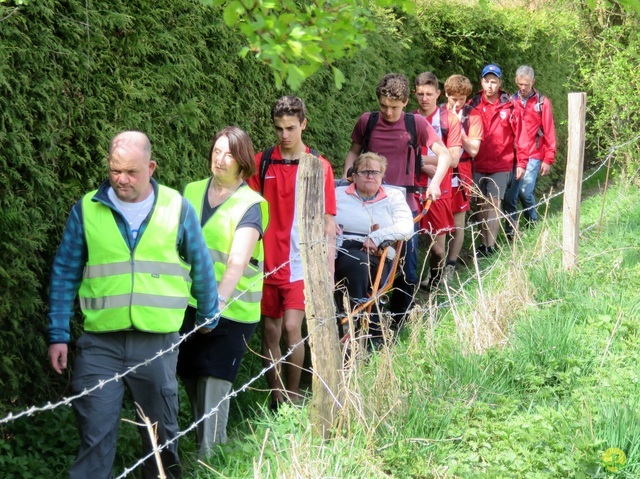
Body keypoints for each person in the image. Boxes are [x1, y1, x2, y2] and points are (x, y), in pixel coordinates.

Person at [47, 131, 219, 479]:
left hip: (157, 344)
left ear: (151, 167)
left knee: (161, 441)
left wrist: (207, 315)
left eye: (131, 171)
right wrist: (58, 333)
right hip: (99, 346)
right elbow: (65, 272)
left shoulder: (176, 207)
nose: (121, 179)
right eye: (114, 171)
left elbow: (201, 264)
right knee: (95, 437)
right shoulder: (86, 209)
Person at [178, 126, 269, 457]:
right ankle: (207, 446)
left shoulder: (252, 203)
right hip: (187, 302)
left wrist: (215, 304)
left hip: (231, 309)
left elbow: (236, 261)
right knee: (189, 374)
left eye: (228, 153)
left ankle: (211, 456)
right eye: (216, 151)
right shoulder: (191, 191)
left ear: (243, 161)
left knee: (214, 380)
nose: (219, 158)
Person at [247, 96, 336, 411]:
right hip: (267, 263)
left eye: (291, 128)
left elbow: (328, 219)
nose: (284, 135)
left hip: (300, 263)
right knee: (270, 331)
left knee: (290, 328)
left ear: (303, 125)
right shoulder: (262, 162)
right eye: (279, 128)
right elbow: (247, 211)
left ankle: (295, 394)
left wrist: (327, 268)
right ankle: (277, 397)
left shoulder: (318, 166)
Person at [343, 73, 451, 320]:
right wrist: (349, 175)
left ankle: (399, 321)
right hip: (369, 204)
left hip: (405, 205)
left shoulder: (416, 124)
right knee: (370, 261)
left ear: (404, 102)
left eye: (393, 107)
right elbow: (353, 152)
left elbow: (444, 155)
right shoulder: (367, 122)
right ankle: (369, 319)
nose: (388, 112)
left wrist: (434, 184)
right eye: (383, 106)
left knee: (406, 268)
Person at [334, 152, 413, 343]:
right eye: (365, 171)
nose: (371, 176)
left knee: (360, 264)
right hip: (339, 246)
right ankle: (366, 327)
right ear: (353, 175)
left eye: (376, 172)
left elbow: (406, 227)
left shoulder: (393, 196)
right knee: (356, 263)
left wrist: (377, 237)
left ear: (382, 175)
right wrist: (327, 222)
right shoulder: (336, 194)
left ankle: (352, 322)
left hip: (378, 249)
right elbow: (317, 216)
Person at [413, 72, 462, 291]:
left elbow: (451, 159)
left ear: (438, 94)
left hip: (439, 189)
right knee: (408, 243)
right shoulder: (408, 119)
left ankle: (434, 280)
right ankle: (407, 287)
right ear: (414, 93)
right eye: (420, 94)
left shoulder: (449, 120)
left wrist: (420, 159)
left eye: (429, 94)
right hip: (412, 187)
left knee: (437, 248)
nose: (424, 98)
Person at [468, 64, 520, 257]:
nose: (490, 85)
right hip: (478, 162)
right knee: (482, 204)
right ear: (481, 82)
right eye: (486, 81)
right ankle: (483, 243)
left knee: (494, 202)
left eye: (494, 81)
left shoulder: (510, 104)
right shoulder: (472, 104)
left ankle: (490, 245)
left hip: (502, 162)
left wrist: (521, 162)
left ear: (499, 83)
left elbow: (519, 135)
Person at [503, 65, 557, 236]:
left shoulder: (542, 103)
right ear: (516, 81)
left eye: (526, 84)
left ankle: (532, 222)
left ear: (533, 82)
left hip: (534, 154)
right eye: (520, 84)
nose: (523, 88)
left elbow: (549, 131)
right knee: (509, 195)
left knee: (525, 192)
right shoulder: (510, 101)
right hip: (514, 155)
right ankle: (511, 229)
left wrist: (548, 159)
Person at [443, 74, 484, 278]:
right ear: (446, 94)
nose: (457, 103)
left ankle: (450, 264)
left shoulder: (473, 115)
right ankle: (435, 264)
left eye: (461, 99)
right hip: (441, 170)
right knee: (440, 218)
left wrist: (459, 128)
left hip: (462, 171)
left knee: (459, 219)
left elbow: (474, 150)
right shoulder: (438, 113)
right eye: (453, 98)